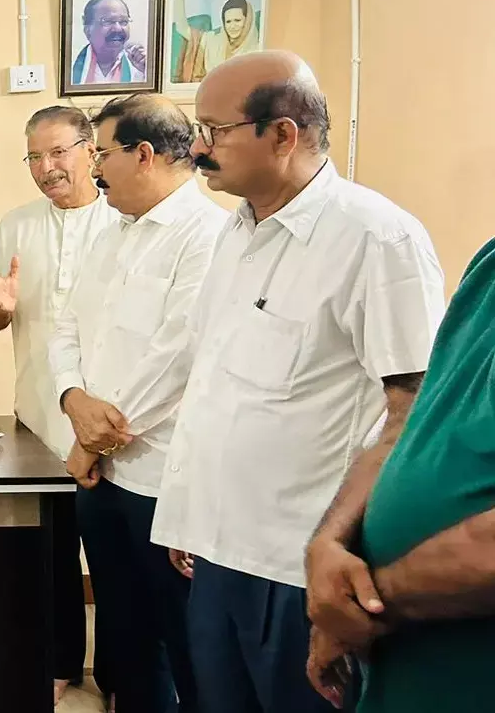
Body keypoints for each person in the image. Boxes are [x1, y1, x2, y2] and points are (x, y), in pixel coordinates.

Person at [144, 51, 444, 713]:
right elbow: (219, 384)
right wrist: (189, 511)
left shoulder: (376, 239)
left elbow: (413, 414)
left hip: (296, 564)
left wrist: (332, 544)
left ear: (282, 134)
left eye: (215, 131)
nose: (198, 149)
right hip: (217, 551)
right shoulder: (236, 231)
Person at [49, 94, 229, 713]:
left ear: (144, 154)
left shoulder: (208, 235)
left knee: (183, 639)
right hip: (103, 477)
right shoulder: (112, 233)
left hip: (163, 478)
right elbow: (67, 326)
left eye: (102, 153)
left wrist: (92, 437)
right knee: (125, 637)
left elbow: (178, 355)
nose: (95, 167)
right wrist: (72, 396)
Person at [307, 236, 495, 712]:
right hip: (409, 672)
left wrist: (366, 602)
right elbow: (413, 425)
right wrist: (328, 540)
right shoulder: (488, 265)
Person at [0, 104, 119, 705]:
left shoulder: (124, 219)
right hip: (39, 417)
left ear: (91, 150)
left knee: (114, 558)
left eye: (58, 152)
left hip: (114, 422)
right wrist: (0, 308)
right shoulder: (16, 225)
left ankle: (118, 673)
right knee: (52, 554)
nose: (46, 167)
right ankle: (60, 663)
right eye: (34, 156)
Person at [173, 0, 262, 83]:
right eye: (228, 22)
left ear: (247, 21)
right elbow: (183, 29)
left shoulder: (257, 51)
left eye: (237, 20)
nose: (232, 26)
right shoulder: (213, 42)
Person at [72, 0, 147, 85]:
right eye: (107, 21)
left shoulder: (140, 68)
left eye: (123, 21)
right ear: (88, 30)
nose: (118, 28)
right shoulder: (68, 66)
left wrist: (146, 71)